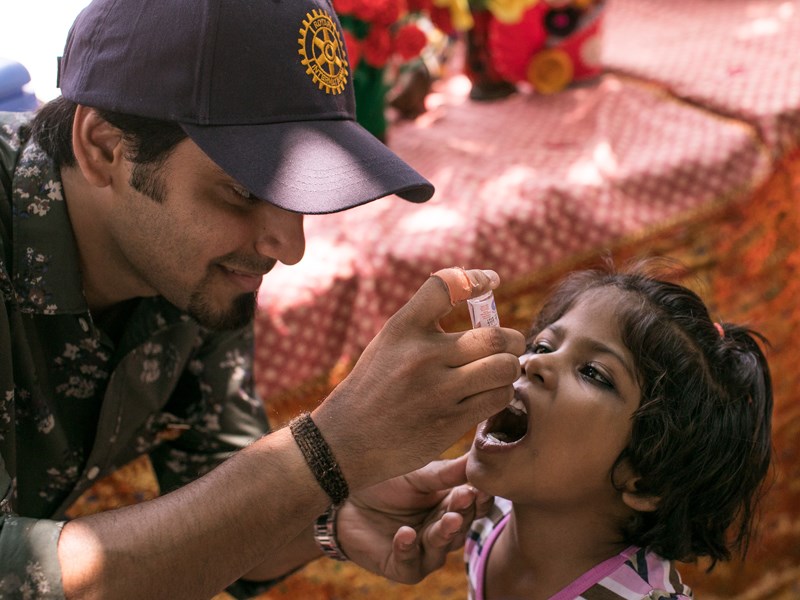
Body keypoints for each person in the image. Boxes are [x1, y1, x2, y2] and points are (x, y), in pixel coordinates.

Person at [0, 0, 527, 598]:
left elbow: (215, 496)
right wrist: (327, 451)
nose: (289, 247)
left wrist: (330, 518)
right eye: (243, 191)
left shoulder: (193, 267)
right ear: (103, 148)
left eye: (299, 195)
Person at [464, 260, 774, 599]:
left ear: (643, 480)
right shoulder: (483, 514)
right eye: (542, 345)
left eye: (593, 373)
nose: (535, 362)